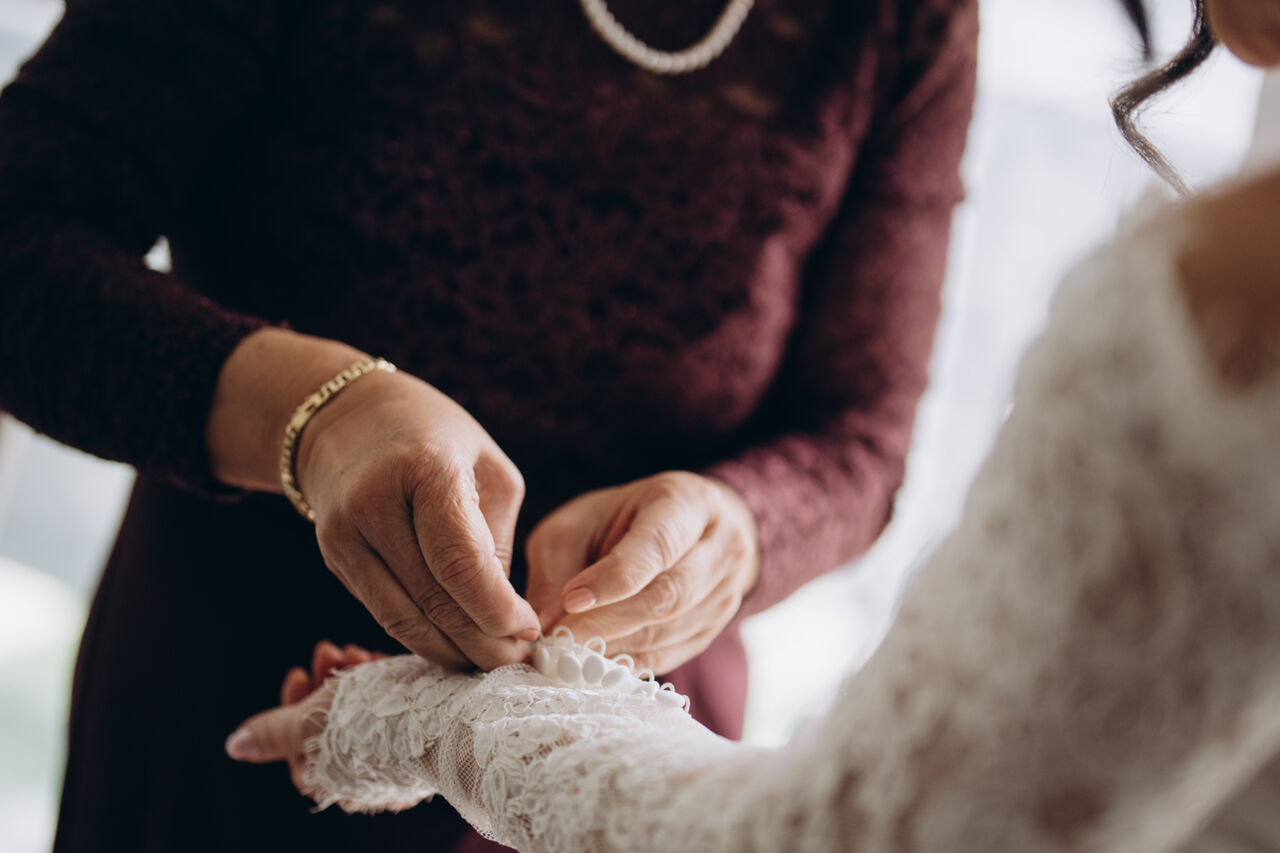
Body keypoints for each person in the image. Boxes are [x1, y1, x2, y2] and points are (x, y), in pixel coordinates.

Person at [227, 0, 1280, 850]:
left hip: (633, 708)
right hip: (229, 642)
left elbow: (849, 836)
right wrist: (316, 412)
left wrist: (413, 718)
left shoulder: (1226, 295)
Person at [0, 0, 978, 850]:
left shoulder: (901, 16)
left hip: (622, 750)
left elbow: (861, 434)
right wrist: (320, 415)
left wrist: (737, 527)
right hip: (238, 685)